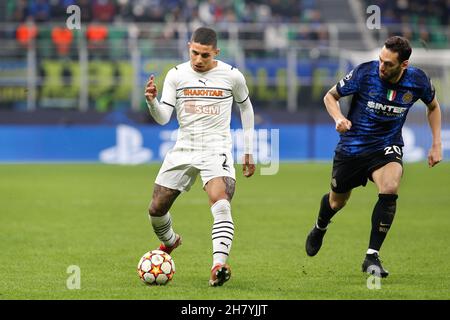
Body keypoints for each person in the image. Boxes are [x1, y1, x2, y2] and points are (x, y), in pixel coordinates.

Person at [305, 36, 442, 277]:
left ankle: (371, 256)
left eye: (388, 63)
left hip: (386, 146)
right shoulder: (364, 73)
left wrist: (436, 143)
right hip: (353, 147)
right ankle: (320, 226)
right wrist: (339, 118)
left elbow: (433, 106)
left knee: (390, 187)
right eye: (380, 60)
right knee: (337, 201)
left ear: (404, 65)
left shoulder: (418, 80)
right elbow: (330, 96)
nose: (381, 66)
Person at [144, 27, 255, 286]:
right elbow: (163, 118)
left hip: (217, 149)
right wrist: (152, 101)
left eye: (205, 55)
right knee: (156, 210)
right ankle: (171, 241)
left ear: (216, 52)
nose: (198, 59)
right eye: (194, 53)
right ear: (188, 47)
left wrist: (248, 150)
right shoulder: (176, 75)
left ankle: (218, 265)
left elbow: (246, 108)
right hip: (184, 147)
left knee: (221, 201)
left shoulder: (231, 76)